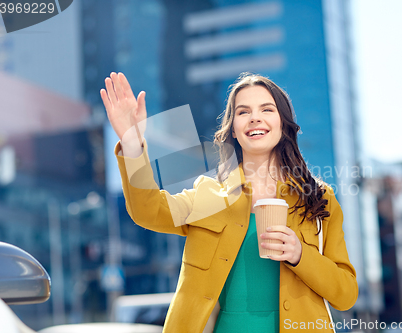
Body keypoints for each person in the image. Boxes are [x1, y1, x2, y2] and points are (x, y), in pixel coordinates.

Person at [100, 72, 358, 332]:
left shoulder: (318, 199)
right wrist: (132, 144)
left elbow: (346, 295)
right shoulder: (209, 194)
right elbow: (148, 211)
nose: (254, 117)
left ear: (283, 122)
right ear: (233, 128)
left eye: (266, 109)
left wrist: (301, 255)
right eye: (243, 112)